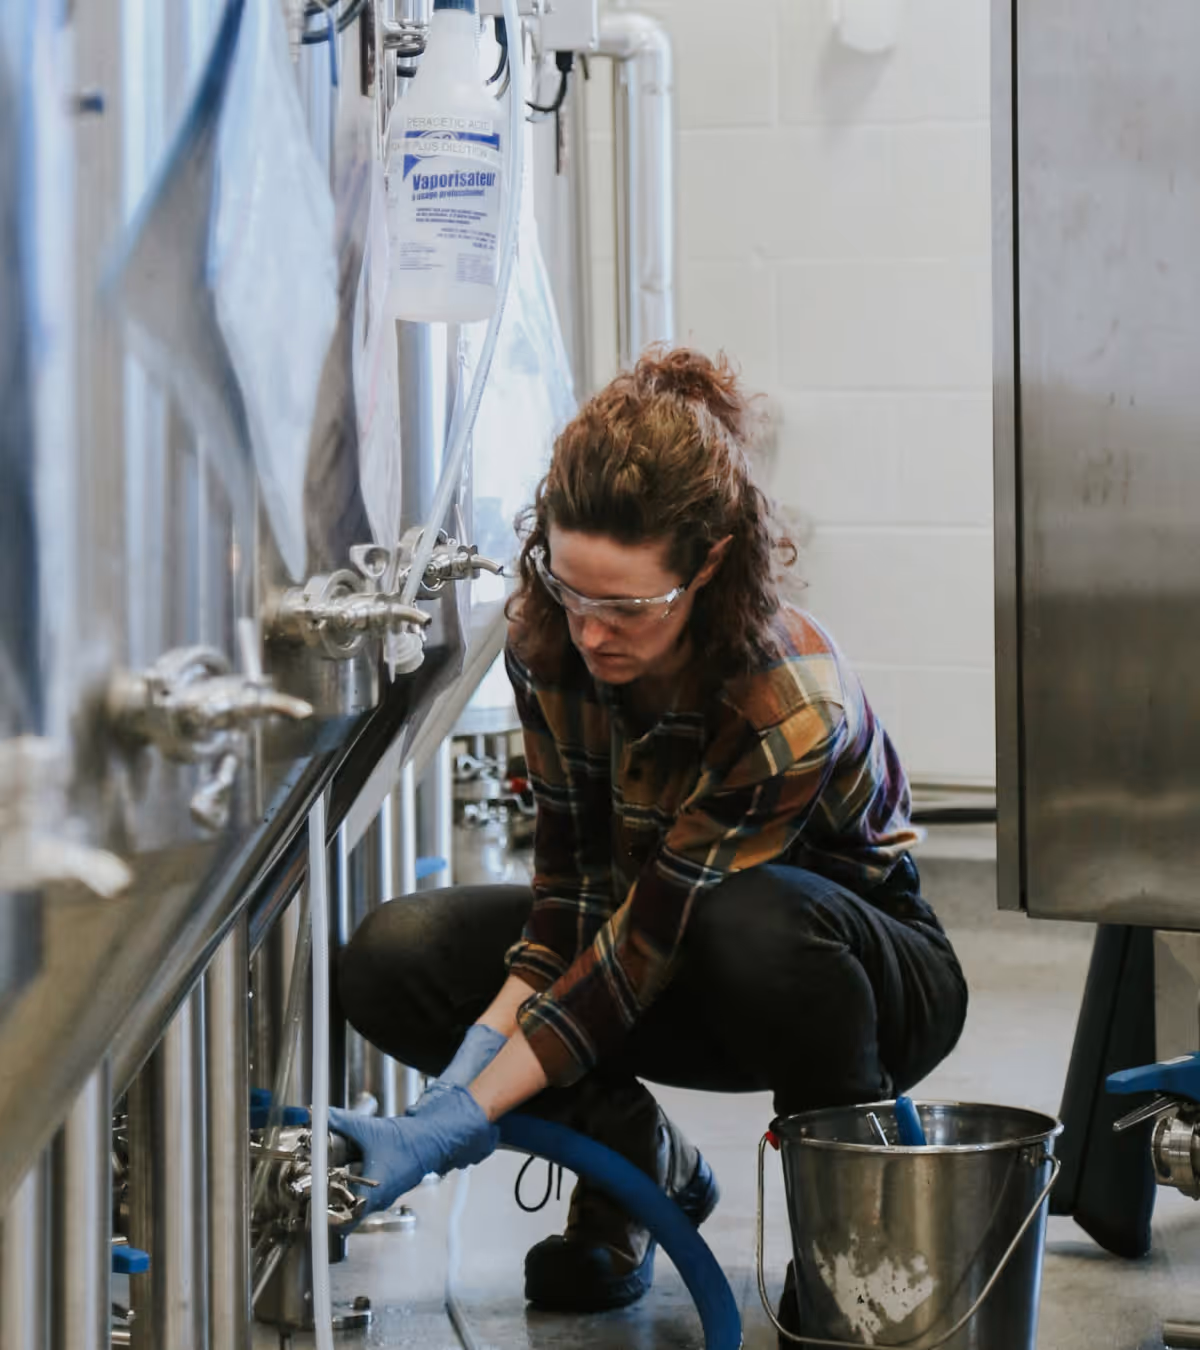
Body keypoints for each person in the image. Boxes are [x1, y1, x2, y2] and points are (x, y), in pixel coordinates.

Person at [330, 347, 968, 1328]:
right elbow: (570, 912)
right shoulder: (550, 646)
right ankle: (637, 1176)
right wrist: (453, 1088)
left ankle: (850, 1243)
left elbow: (641, 948)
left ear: (710, 567)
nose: (592, 632)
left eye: (625, 606)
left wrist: (470, 1110)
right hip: (665, 950)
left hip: (852, 977)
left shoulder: (784, 696)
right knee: (393, 959)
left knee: (748, 922)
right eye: (572, 590)